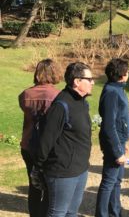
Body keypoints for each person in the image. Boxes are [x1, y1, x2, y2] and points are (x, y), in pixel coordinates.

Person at [35, 62, 94, 217]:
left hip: (80, 169)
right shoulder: (61, 105)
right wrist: (39, 166)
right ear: (77, 81)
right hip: (62, 172)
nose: (93, 82)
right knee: (57, 213)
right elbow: (46, 140)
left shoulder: (82, 103)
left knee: (72, 212)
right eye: (90, 79)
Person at [19, 59, 61, 217]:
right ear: (54, 72)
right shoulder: (57, 95)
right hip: (48, 147)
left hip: (28, 144)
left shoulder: (25, 94)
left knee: (34, 185)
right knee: (50, 186)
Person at [95, 59, 129, 217]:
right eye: (128, 72)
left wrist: (124, 142)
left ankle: (115, 213)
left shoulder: (118, 89)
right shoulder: (111, 92)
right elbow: (109, 125)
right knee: (109, 182)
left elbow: (120, 120)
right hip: (113, 143)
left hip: (119, 141)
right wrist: (117, 151)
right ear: (122, 75)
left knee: (116, 181)